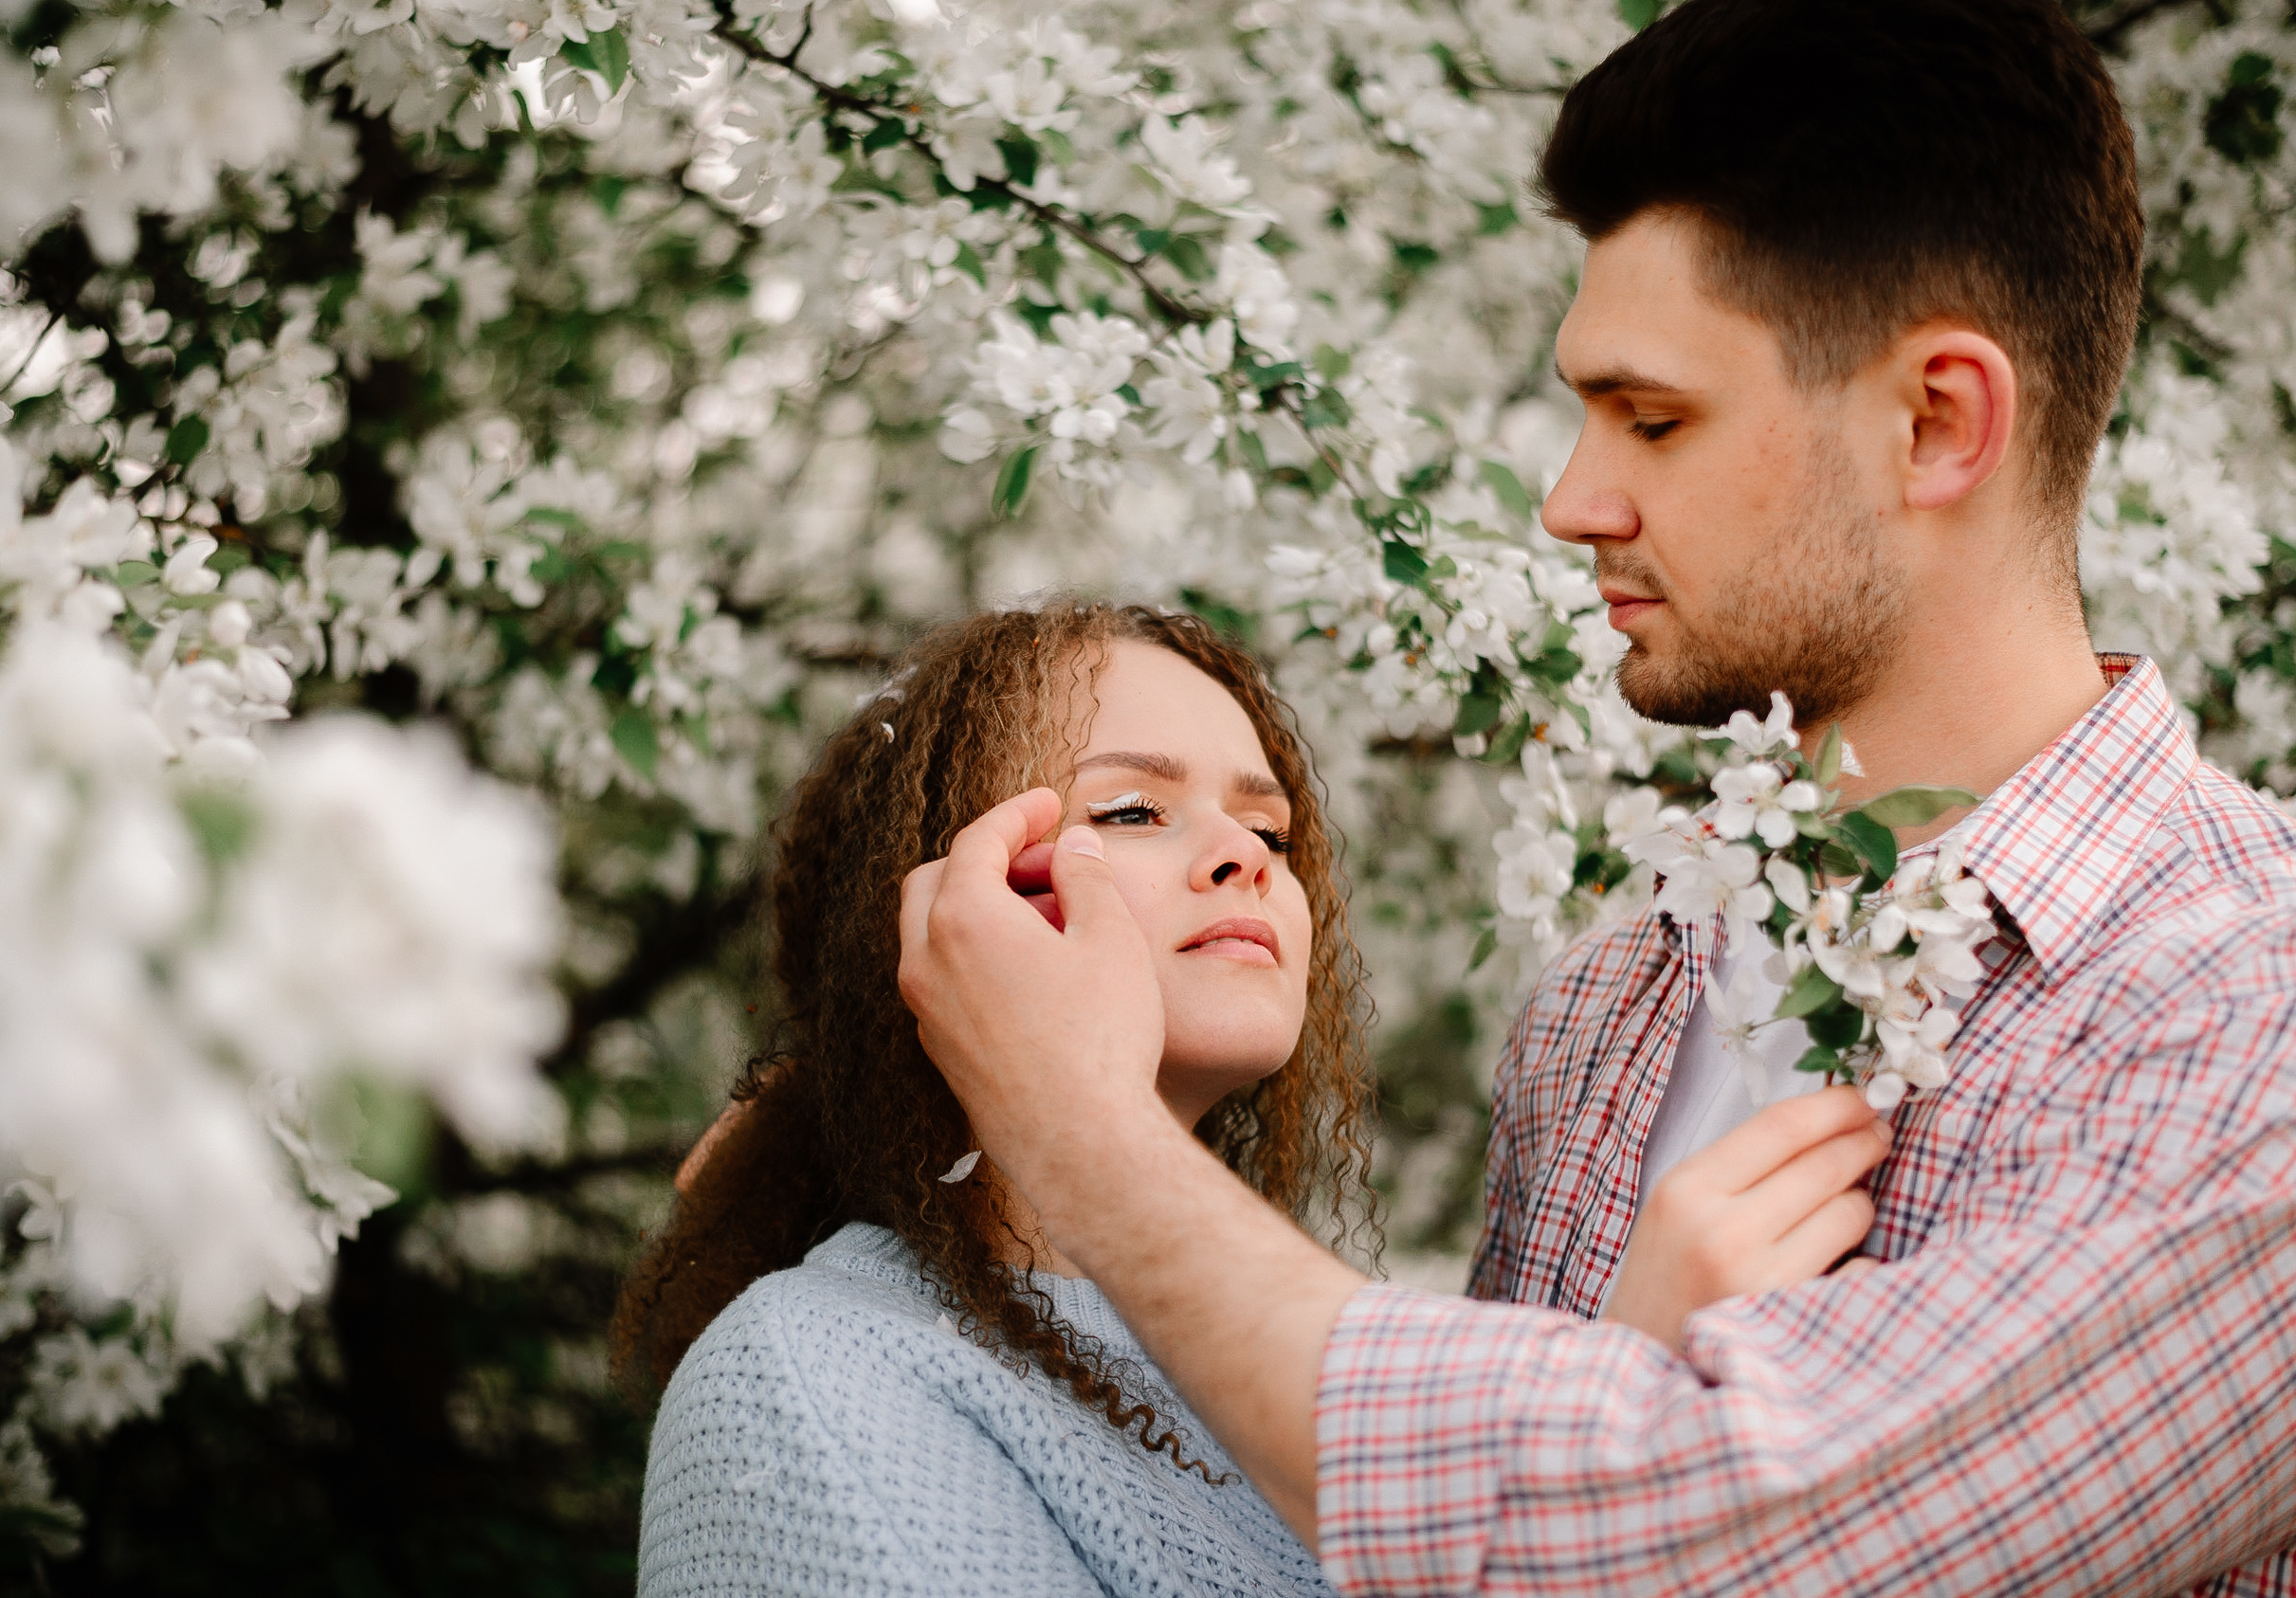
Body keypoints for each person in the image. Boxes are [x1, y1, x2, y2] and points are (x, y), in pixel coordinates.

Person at [892, 4, 2296, 1596]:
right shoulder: (1615, 994)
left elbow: (1689, 1541)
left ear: (1936, 421)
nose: (1570, 502)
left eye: (1654, 418)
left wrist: (1072, 1125)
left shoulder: (2251, 1008)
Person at [619, 600, 1890, 1598]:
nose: (1240, 854)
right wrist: (1625, 1393)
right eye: (1131, 808)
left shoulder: (1315, 1358)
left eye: (1269, 831)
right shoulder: (805, 1371)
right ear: (941, 910)